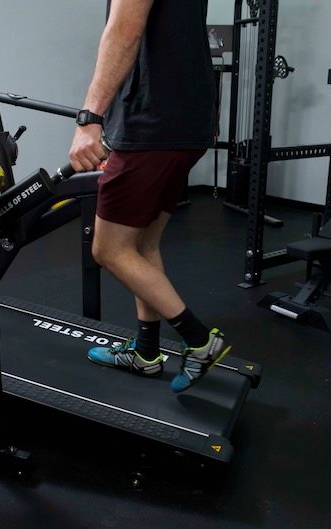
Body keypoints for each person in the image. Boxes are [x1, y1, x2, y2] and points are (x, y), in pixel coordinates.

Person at [68, 0, 230, 393]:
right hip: (188, 123)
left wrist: (90, 118)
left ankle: (200, 341)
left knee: (108, 250)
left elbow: (125, 30)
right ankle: (146, 353)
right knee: (141, 244)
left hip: (150, 124)